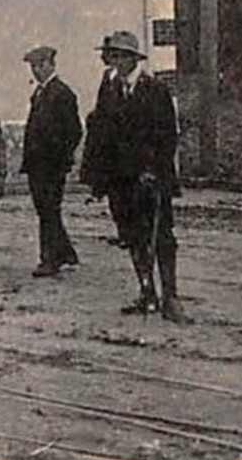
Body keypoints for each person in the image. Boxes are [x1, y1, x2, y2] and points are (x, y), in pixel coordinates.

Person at [79, 31, 186, 323]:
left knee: (160, 236)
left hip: (149, 179)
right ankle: (146, 291)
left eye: (118, 56)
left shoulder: (154, 90)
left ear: (130, 58)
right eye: (111, 56)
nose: (114, 61)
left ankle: (171, 297)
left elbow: (167, 136)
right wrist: (96, 178)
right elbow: (99, 133)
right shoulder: (110, 89)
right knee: (132, 236)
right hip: (120, 181)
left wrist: (153, 171)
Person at [20, 45, 82, 278]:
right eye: (33, 67)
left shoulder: (62, 93)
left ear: (51, 65)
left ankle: (49, 259)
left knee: (48, 210)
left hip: (52, 165)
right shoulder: (39, 93)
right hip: (37, 164)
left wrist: (61, 157)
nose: (36, 71)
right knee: (46, 210)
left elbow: (74, 130)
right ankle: (65, 252)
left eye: (40, 65)